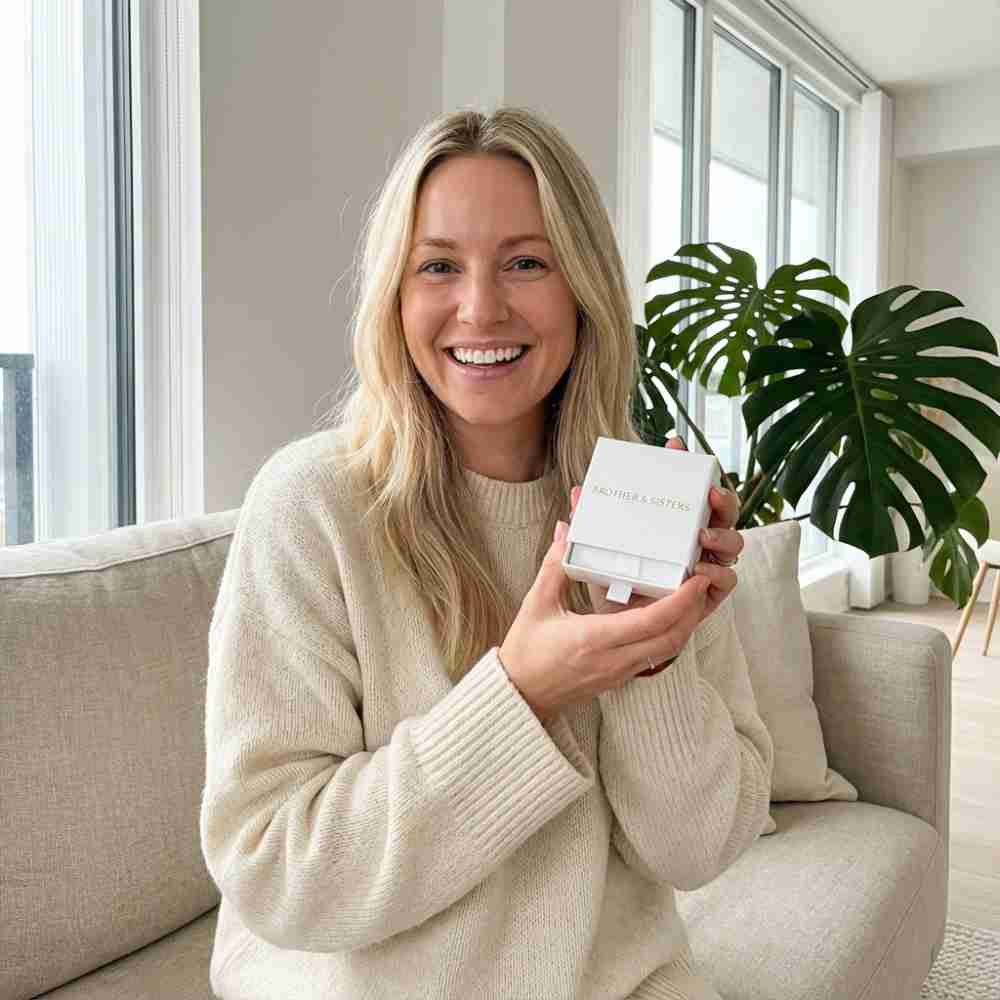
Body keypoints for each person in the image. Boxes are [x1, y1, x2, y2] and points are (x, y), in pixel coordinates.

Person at [200, 105, 773, 1000]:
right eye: (438, 265)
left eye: (525, 262)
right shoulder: (312, 505)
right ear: (395, 294)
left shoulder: (641, 504)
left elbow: (696, 853)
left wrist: (646, 653)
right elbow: (276, 872)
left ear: (583, 288)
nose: (480, 308)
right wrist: (525, 693)